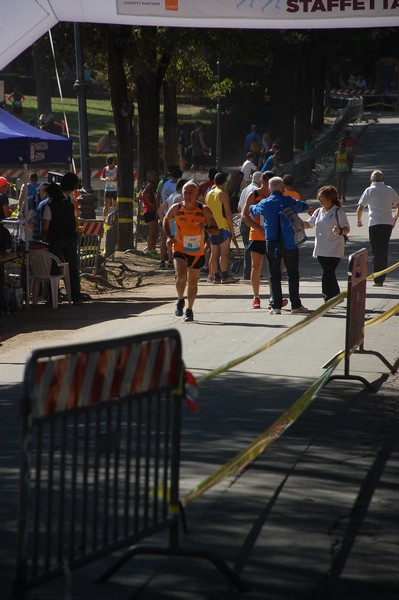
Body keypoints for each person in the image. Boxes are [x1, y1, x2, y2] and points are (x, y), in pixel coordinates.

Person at [248, 176, 313, 315]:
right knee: (293, 274)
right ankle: (295, 305)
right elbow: (301, 205)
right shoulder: (288, 200)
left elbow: (253, 210)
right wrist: (308, 208)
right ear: (283, 188)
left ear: (269, 188)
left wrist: (252, 201)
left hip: (271, 242)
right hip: (289, 241)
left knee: (274, 274)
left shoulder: (265, 202)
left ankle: (276, 306)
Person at [163, 180, 219, 322]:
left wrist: (205, 228)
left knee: (193, 282)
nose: (187, 196)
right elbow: (165, 220)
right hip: (180, 247)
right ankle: (180, 299)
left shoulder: (204, 210)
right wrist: (169, 237)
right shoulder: (176, 208)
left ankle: (189, 309)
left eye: (190, 193)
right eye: (185, 193)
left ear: (197, 194)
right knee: (181, 276)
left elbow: (216, 229)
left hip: (197, 251)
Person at [304, 185, 350, 302]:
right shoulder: (319, 211)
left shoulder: (338, 211)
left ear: (330, 198)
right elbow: (309, 224)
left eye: (322, 197)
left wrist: (339, 231)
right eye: (319, 197)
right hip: (321, 248)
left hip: (334, 248)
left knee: (327, 272)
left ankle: (328, 298)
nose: (319, 200)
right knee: (329, 272)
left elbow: (346, 228)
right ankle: (336, 296)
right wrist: (294, 221)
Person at [41, 182, 82, 305]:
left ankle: (54, 297)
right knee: (72, 266)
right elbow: (76, 221)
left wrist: (44, 235)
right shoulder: (69, 205)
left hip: (56, 238)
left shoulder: (50, 206)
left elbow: (46, 225)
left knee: (55, 266)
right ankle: (76, 296)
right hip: (70, 237)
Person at [356, 170, 399, 286]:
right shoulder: (389, 189)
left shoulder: (369, 190)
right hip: (387, 224)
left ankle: (378, 278)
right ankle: (381, 278)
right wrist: (394, 218)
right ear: (383, 179)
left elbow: (360, 207)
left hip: (374, 223)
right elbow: (398, 204)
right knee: (383, 250)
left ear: (371, 180)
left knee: (376, 251)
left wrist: (359, 221)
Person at [242, 172, 272, 309]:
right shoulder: (253, 195)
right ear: (261, 180)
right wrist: (257, 227)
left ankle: (274, 296)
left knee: (273, 266)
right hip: (256, 235)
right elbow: (244, 216)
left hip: (272, 235)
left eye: (269, 180)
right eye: (265, 180)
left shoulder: (275, 194)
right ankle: (256, 297)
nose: (266, 183)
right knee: (256, 266)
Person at [205, 172, 240, 284]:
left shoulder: (208, 194)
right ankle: (225, 276)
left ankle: (215, 277)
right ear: (225, 182)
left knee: (214, 253)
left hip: (212, 227)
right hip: (222, 226)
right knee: (224, 253)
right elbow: (228, 213)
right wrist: (232, 231)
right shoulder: (223, 194)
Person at [237, 171, 265, 280]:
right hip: (251, 221)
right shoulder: (255, 192)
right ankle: (252, 272)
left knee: (247, 247)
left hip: (243, 220)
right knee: (253, 249)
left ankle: (248, 272)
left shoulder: (245, 189)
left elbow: (239, 208)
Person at [139, 170, 160, 258]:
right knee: (153, 231)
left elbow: (140, 194)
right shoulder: (149, 184)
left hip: (147, 210)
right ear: (149, 177)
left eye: (156, 176)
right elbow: (143, 194)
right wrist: (150, 203)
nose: (155, 178)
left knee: (152, 231)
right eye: (153, 176)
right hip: (150, 210)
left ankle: (151, 248)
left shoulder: (144, 184)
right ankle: (151, 250)